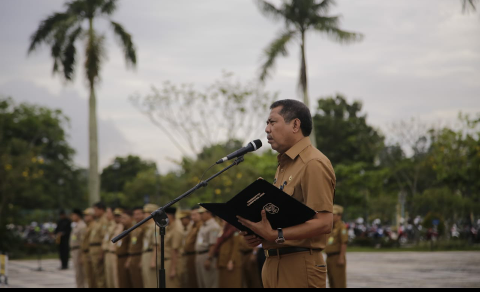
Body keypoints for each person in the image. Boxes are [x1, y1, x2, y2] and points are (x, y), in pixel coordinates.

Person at [238, 99, 336, 288]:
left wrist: (277, 234)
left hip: (299, 265)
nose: (267, 129)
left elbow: (324, 222)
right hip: (273, 263)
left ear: (295, 125)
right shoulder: (285, 164)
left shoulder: (313, 163)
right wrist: (259, 232)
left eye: (272, 122)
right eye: (267, 123)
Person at [195, 207, 221, 288]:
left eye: (202, 213)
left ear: (209, 213)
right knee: (202, 282)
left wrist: (209, 258)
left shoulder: (213, 226)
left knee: (209, 282)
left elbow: (213, 244)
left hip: (206, 255)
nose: (200, 215)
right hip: (199, 255)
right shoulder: (203, 224)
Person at [213, 221, 243, 288]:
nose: (223, 221)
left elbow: (236, 247)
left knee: (233, 284)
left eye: (224, 220)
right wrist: (218, 261)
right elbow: (220, 247)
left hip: (231, 263)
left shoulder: (234, 231)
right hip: (223, 262)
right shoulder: (224, 231)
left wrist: (231, 260)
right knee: (224, 284)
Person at [325, 205, 348, 288]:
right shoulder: (332, 227)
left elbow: (344, 242)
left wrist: (341, 257)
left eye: (334, 214)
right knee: (332, 282)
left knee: (339, 283)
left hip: (337, 257)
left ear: (339, 216)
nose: (332, 216)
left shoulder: (342, 227)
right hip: (329, 257)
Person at [160, 207, 183, 288]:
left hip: (172, 262)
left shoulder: (177, 229)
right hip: (167, 261)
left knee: (172, 285)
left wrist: (173, 269)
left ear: (170, 216)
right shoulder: (170, 227)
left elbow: (175, 250)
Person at [89, 202, 109, 288]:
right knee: (96, 275)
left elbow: (104, 238)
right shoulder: (98, 221)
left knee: (101, 276)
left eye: (96, 210)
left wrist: (101, 253)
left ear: (101, 210)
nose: (94, 212)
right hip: (94, 250)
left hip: (98, 250)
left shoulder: (104, 221)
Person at [182, 206, 202, 288]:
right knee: (191, 280)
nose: (192, 217)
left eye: (195, 215)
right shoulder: (192, 226)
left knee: (196, 281)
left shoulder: (201, 226)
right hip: (189, 255)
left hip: (195, 254)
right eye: (192, 215)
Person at [141, 204, 160, 289]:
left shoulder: (155, 226)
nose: (144, 215)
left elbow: (156, 244)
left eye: (146, 213)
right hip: (145, 254)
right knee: (146, 281)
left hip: (151, 255)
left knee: (152, 282)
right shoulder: (147, 227)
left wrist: (153, 260)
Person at [126, 207, 145, 288]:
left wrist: (142, 260)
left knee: (141, 281)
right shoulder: (135, 228)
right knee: (134, 281)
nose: (136, 216)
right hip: (133, 256)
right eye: (134, 214)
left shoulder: (145, 228)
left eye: (138, 214)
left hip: (139, 256)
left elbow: (144, 245)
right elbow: (132, 245)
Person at [70, 209, 87, 288]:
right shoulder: (76, 225)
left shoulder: (82, 226)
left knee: (81, 274)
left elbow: (83, 242)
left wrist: (81, 255)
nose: (72, 217)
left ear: (77, 215)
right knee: (77, 274)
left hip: (78, 251)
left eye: (73, 215)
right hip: (74, 251)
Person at [117, 210, 133, 288]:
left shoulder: (131, 230)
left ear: (131, 218)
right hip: (120, 258)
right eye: (121, 218)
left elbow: (131, 247)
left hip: (125, 258)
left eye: (124, 218)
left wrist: (129, 259)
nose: (121, 220)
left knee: (126, 282)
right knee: (121, 281)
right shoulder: (123, 229)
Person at [103, 207, 118, 288]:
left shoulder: (116, 225)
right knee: (109, 279)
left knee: (114, 278)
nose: (106, 214)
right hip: (107, 252)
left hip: (113, 253)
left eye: (108, 212)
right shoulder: (108, 225)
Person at [82, 208, 95, 288]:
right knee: (88, 277)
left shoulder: (93, 225)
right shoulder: (87, 226)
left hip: (90, 253)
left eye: (87, 215)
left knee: (92, 276)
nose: (85, 217)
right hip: (85, 253)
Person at [178, 210, 192, 288]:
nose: (181, 221)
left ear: (187, 219)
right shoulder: (184, 228)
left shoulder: (191, 228)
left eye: (182, 219)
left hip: (189, 255)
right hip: (183, 256)